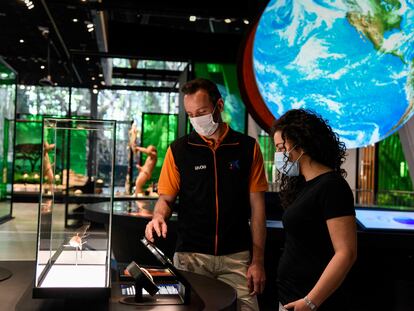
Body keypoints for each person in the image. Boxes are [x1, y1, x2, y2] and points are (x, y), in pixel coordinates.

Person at [145, 78, 268, 310]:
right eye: (190, 114)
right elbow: (165, 199)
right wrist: (158, 216)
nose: (195, 120)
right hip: (191, 256)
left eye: (201, 112)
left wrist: (258, 261)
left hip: (237, 257)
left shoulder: (247, 147)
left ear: (219, 106)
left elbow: (258, 208)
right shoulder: (178, 150)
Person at [272, 109, 357, 311]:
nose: (278, 155)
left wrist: (310, 301)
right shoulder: (303, 185)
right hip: (291, 298)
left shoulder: (332, 186)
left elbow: (346, 252)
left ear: (300, 145)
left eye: (281, 147)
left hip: (312, 303)